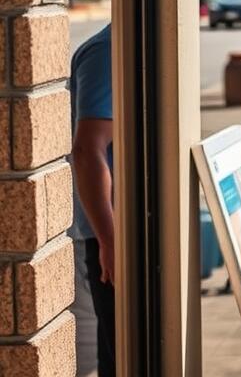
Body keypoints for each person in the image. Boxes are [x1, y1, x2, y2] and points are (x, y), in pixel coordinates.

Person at [69, 23, 116, 377]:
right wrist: (110, 240)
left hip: (126, 234)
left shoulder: (147, 46)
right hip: (114, 239)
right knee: (123, 357)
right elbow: (87, 150)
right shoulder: (107, 52)